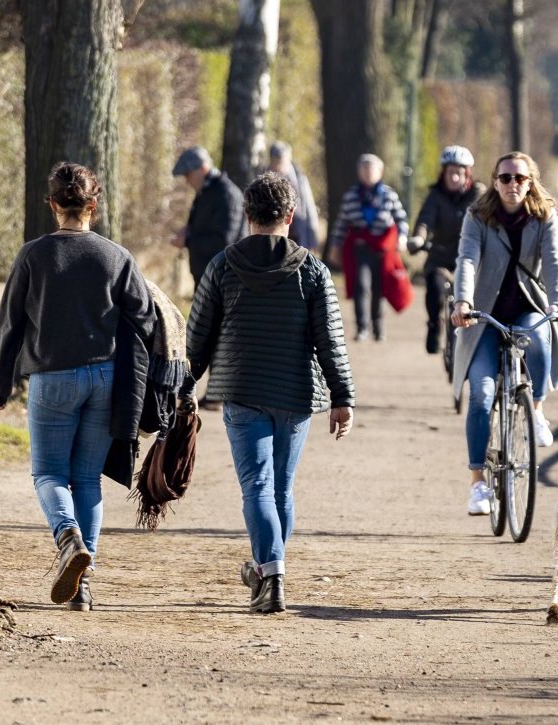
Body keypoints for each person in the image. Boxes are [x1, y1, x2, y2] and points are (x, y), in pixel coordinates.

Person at [0, 162, 156, 609]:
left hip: (51, 379)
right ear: (93, 206)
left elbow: (10, 324)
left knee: (48, 473)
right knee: (86, 478)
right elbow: (145, 320)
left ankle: (66, 537)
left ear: (53, 205)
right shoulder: (116, 258)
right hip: (104, 377)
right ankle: (84, 585)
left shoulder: (33, 256)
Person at [185, 172, 355, 613]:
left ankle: (270, 572)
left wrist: (182, 387)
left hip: (241, 390)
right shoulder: (312, 269)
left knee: (257, 487)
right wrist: (343, 398)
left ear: (247, 215)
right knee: (281, 489)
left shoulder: (222, 265)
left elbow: (198, 337)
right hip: (295, 392)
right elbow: (329, 340)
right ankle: (269, 569)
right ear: (291, 216)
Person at [450, 151, 558, 517]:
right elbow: (467, 260)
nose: (512, 184)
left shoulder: (544, 216)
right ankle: (477, 484)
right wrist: (462, 302)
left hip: (527, 306)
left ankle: (535, 408)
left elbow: (553, 262)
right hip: (483, 314)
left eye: (520, 178)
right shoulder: (478, 215)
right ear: (495, 180)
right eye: (505, 178)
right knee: (482, 394)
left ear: (531, 180)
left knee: (536, 335)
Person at [408, 145, 486, 354]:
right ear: (444, 173)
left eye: (459, 173)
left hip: (471, 258)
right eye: (450, 172)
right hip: (441, 257)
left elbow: (488, 219)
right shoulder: (436, 195)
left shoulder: (478, 193)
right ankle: (434, 325)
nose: (454, 178)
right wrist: (419, 238)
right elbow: (425, 221)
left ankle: (480, 336)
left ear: (467, 174)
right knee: (434, 286)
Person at [327, 153, 409, 342]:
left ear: (380, 172)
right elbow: (341, 224)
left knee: (379, 289)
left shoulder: (389, 195)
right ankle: (362, 327)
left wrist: (403, 238)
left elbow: (401, 219)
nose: (367, 173)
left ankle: (378, 327)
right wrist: (335, 246)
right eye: (364, 169)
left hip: (382, 249)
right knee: (361, 286)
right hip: (360, 249)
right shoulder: (351, 196)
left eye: (371, 169)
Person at [170, 146, 246, 290]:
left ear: (203, 168)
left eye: (188, 174)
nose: (187, 181)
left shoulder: (226, 195)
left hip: (224, 282)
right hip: (208, 279)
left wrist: (187, 240)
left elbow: (223, 242)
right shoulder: (206, 193)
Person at [268, 140, 320, 252]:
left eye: (281, 161)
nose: (279, 166)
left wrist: (312, 237)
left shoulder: (299, 178)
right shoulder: (265, 178)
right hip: (273, 233)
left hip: (297, 232)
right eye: (276, 162)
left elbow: (309, 208)